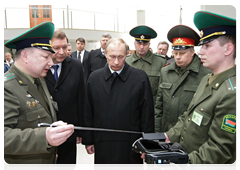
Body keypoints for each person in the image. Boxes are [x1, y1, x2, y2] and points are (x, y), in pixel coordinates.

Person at [143, 11, 238, 170]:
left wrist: (180, 163)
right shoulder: (207, 80)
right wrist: (167, 136)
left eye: (207, 46)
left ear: (228, 49)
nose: (200, 51)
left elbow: (220, 150)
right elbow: (188, 117)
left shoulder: (233, 93)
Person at [4, 21, 74, 170]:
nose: (51, 62)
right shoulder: (7, 88)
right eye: (45, 57)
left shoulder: (38, 80)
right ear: (25, 56)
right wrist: (45, 138)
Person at [82, 38, 154, 170]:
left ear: (127, 54)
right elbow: (88, 111)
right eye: (112, 57)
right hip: (103, 141)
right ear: (105, 53)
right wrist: (88, 140)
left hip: (131, 144)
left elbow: (147, 114)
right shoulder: (94, 78)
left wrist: (147, 143)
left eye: (121, 57)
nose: (116, 62)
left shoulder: (140, 78)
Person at [154, 25, 211, 133]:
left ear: (192, 51)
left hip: (190, 134)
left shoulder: (206, 73)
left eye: (182, 53)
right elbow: (159, 106)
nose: (178, 57)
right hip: (166, 132)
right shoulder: (165, 71)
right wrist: (157, 132)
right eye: (175, 53)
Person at [44, 29, 85, 170]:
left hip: (68, 130)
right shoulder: (39, 67)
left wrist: (80, 131)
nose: (62, 52)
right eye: (56, 48)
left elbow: (81, 99)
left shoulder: (76, 66)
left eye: (64, 47)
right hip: (45, 131)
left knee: (67, 165)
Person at [125, 25, 166, 103]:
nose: (141, 47)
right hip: (130, 105)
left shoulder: (160, 62)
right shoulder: (126, 61)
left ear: (149, 44)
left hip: (151, 107)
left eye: (145, 44)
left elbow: (161, 91)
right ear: (134, 43)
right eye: (139, 43)